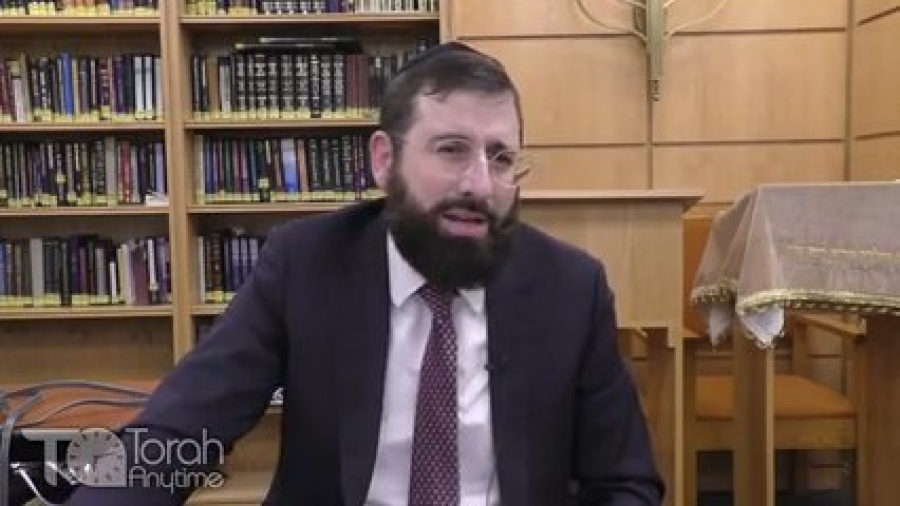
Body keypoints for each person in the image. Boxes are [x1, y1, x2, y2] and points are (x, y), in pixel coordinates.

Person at [66, 41, 664, 505]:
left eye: (501, 157)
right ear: (384, 159)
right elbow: (175, 436)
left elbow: (626, 483)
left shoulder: (570, 289)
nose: (480, 185)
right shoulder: (304, 264)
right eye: (451, 150)